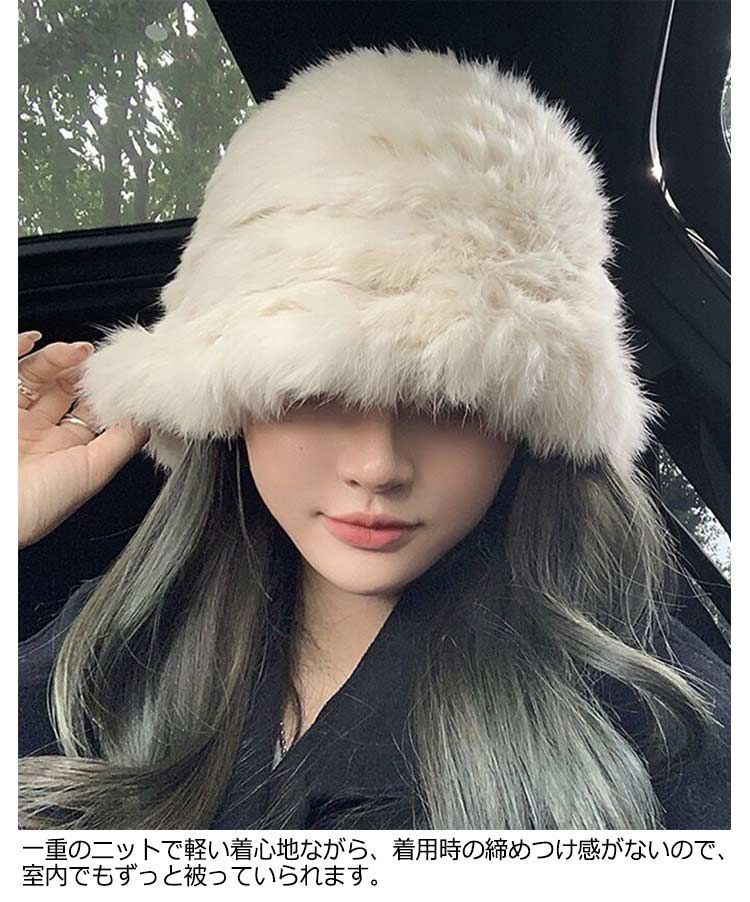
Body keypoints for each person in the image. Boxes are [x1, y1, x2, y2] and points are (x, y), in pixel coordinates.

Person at [18, 44, 729, 831]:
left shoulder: (654, 722)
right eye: (314, 393)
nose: (378, 465)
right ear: (228, 399)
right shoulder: (120, 639)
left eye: (453, 403)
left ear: (534, 422)